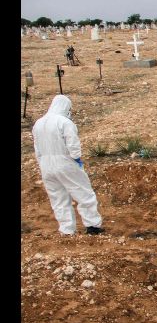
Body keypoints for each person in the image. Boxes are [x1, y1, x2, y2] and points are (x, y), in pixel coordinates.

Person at [32, 94, 104, 235]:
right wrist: (77, 159)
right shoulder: (64, 122)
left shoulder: (38, 124)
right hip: (65, 162)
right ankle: (92, 226)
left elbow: (37, 149)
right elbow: (73, 145)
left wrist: (42, 163)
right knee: (83, 193)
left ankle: (66, 230)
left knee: (58, 198)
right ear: (66, 107)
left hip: (46, 165)